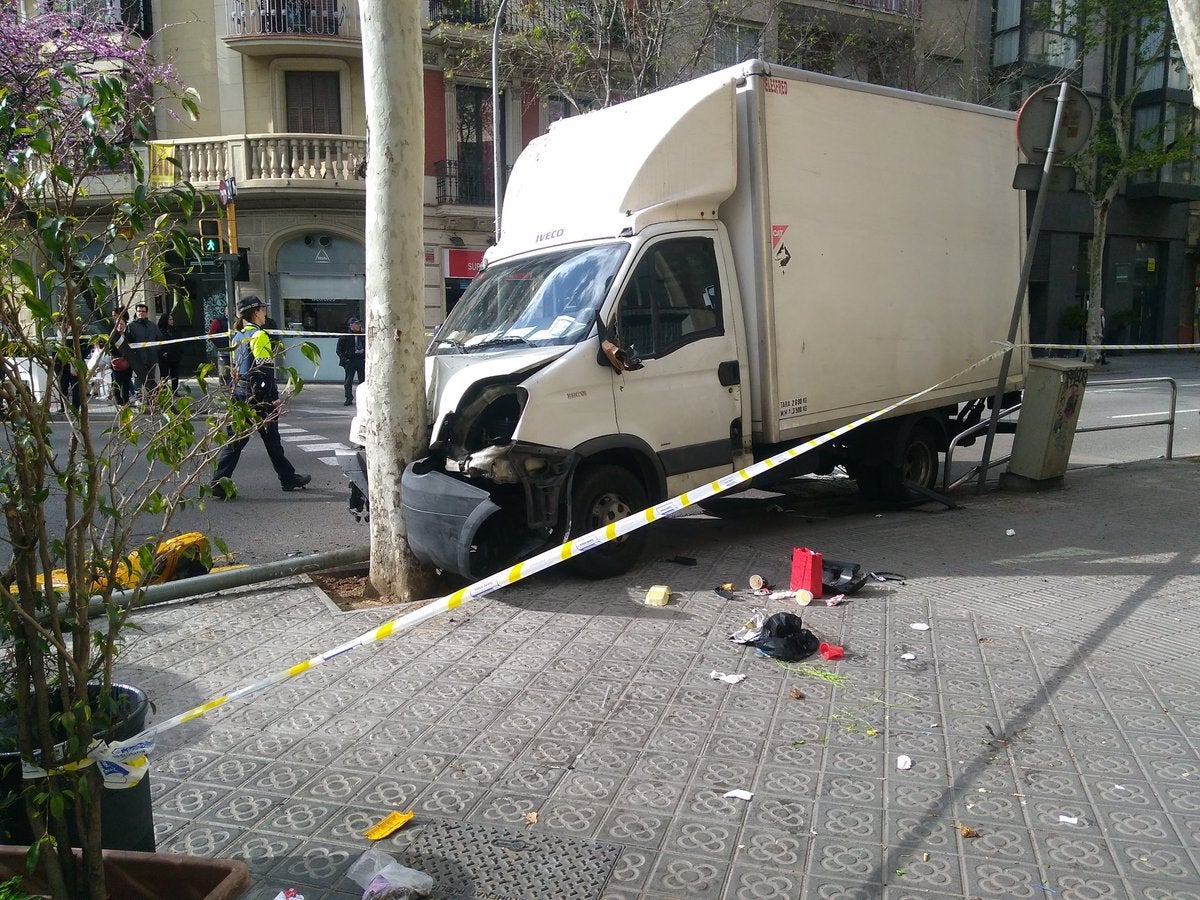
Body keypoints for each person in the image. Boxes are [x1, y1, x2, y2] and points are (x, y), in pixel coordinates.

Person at [210, 295, 311, 499]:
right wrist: (271, 398)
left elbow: (236, 368)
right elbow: (265, 370)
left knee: (237, 440)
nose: (265, 313)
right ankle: (286, 478)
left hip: (240, 394)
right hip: (259, 397)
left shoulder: (238, 336)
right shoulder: (259, 335)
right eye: (263, 309)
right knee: (271, 440)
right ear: (255, 312)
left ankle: (220, 482)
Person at [126, 301, 162, 404]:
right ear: (136, 312)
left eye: (143, 311)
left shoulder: (152, 325)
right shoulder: (131, 326)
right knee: (138, 379)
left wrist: (157, 349)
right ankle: (139, 400)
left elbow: (159, 339)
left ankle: (152, 400)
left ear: (146, 313)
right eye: (139, 311)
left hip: (152, 357)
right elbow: (128, 342)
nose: (141, 313)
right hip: (138, 358)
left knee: (151, 379)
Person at [336, 316, 365, 406]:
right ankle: (348, 398)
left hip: (361, 360)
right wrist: (345, 359)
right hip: (350, 361)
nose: (359, 325)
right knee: (348, 381)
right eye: (356, 324)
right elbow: (339, 350)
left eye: (359, 323)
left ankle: (363, 398)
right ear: (351, 325)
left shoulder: (363, 335)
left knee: (363, 381)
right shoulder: (345, 336)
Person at [109, 309, 135, 406]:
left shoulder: (129, 336)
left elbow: (133, 349)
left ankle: (126, 402)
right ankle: (119, 403)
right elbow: (111, 350)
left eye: (122, 324)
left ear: (125, 325)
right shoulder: (112, 337)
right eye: (118, 324)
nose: (120, 326)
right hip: (117, 365)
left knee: (126, 385)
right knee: (116, 386)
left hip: (128, 364)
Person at [157, 310, 182, 393]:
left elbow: (179, 342)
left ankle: (175, 391)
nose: (172, 321)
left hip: (174, 356)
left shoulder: (175, 330)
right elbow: (157, 343)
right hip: (164, 357)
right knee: (164, 375)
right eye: (170, 319)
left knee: (175, 375)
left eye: (172, 319)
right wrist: (162, 352)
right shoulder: (159, 331)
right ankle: (164, 391)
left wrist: (179, 352)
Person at [208, 311, 232, 384]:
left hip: (234, 350)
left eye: (234, 310)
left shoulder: (236, 319)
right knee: (224, 373)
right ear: (225, 311)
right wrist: (220, 344)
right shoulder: (218, 321)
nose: (232, 311)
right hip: (223, 350)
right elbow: (211, 335)